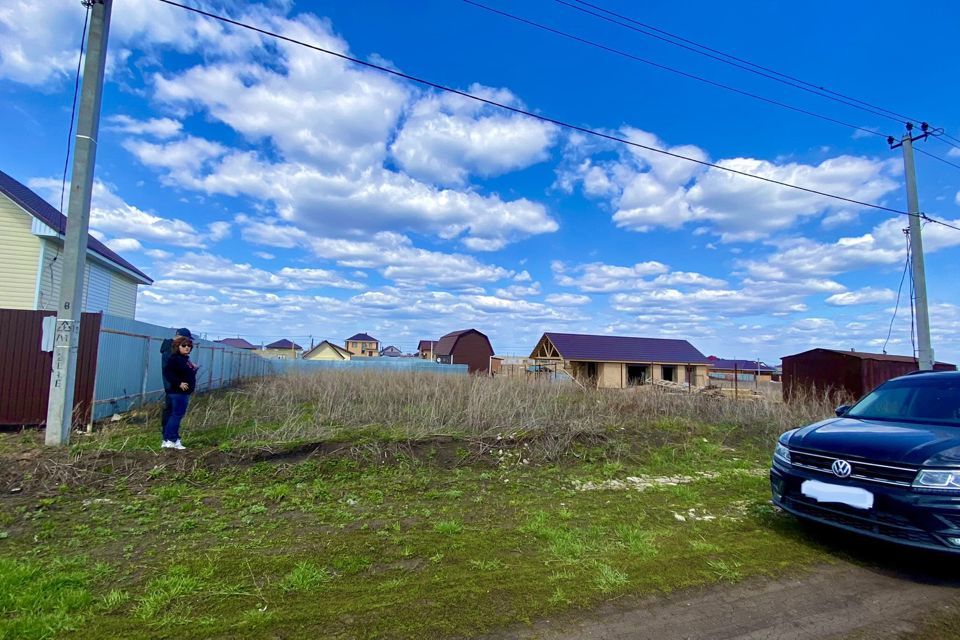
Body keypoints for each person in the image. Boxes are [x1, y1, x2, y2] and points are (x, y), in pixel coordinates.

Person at [161, 334, 198, 450]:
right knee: (176, 415)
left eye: (189, 346)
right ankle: (172, 440)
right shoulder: (176, 358)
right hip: (178, 393)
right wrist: (179, 383)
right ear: (178, 346)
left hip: (182, 393)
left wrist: (193, 369)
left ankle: (168, 440)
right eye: (184, 345)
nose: (187, 347)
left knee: (175, 415)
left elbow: (184, 373)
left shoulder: (184, 359)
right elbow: (168, 372)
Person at [160, 328, 192, 435]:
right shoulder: (170, 350)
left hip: (174, 385)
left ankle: (170, 434)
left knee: (173, 411)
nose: (187, 344)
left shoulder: (172, 348)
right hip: (173, 386)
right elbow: (172, 370)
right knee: (172, 411)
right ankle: (168, 436)